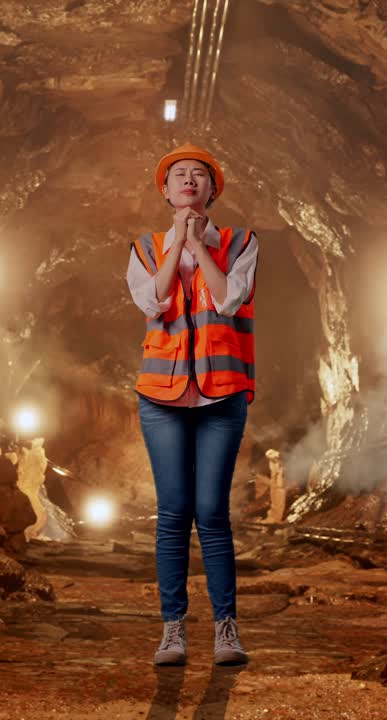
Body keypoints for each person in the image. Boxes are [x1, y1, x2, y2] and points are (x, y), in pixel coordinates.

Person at [126, 143, 258, 667]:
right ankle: (173, 630)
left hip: (222, 396)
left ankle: (226, 628)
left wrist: (200, 244)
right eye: (178, 174)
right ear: (165, 190)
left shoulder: (242, 242)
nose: (188, 179)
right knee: (173, 513)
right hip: (162, 397)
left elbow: (229, 297)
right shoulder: (143, 247)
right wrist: (175, 241)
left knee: (212, 513)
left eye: (198, 174)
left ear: (211, 190)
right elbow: (152, 301)